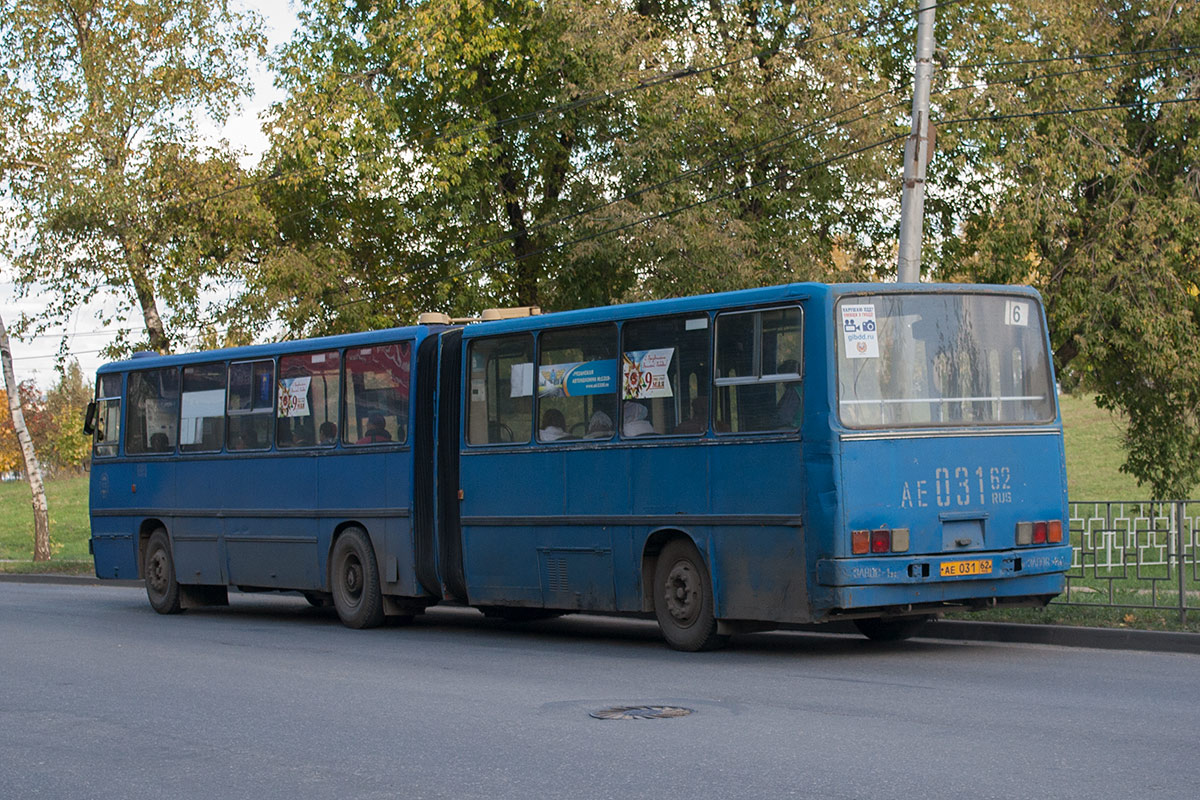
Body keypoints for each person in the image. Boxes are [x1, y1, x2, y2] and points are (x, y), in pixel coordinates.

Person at [774, 360, 803, 429]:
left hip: (792, 429)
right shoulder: (804, 389)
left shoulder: (793, 392)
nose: (782, 382)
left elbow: (784, 417)